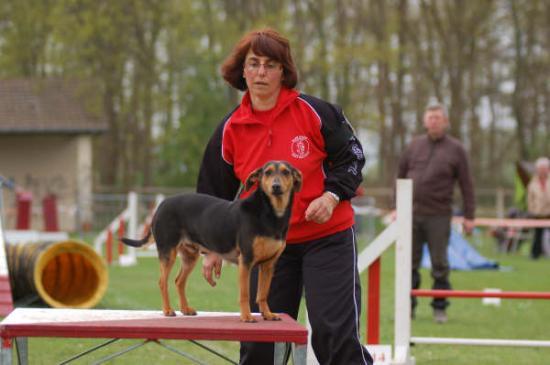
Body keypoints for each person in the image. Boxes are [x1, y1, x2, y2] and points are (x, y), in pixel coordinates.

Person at [196, 29, 372, 365]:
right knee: (261, 343)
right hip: (263, 246)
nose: (261, 72)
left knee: (334, 335)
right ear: (242, 71)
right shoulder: (229, 129)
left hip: (327, 239)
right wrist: (211, 248)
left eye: (270, 65)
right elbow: (210, 194)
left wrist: (332, 195)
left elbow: (353, 156)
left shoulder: (316, 112)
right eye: (254, 64)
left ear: (283, 72)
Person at [397, 102, 475, 324]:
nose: (433, 121)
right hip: (410, 215)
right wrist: (396, 207)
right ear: (424, 121)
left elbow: (467, 184)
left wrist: (470, 216)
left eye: (437, 118)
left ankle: (439, 308)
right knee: (408, 264)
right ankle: (407, 309)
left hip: (439, 215)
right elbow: (400, 175)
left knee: (440, 265)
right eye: (430, 117)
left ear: (445, 121)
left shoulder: (456, 149)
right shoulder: (413, 146)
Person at [527, 157, 550, 259]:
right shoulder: (533, 182)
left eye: (544, 168)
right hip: (538, 213)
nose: (542, 170)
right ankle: (535, 254)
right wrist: (531, 210)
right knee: (537, 235)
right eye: (540, 168)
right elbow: (529, 199)